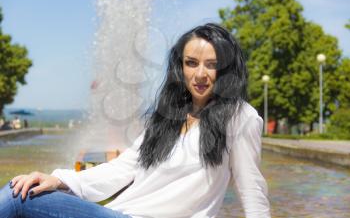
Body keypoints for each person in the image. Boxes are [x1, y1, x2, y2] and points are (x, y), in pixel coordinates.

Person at [0, 23, 271, 218]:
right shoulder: (168, 115)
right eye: (191, 63)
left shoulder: (240, 117)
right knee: (25, 187)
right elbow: (124, 168)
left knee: (17, 199)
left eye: (211, 64)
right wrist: (59, 180)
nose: (200, 74)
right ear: (181, 66)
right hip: (124, 213)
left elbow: (252, 190)